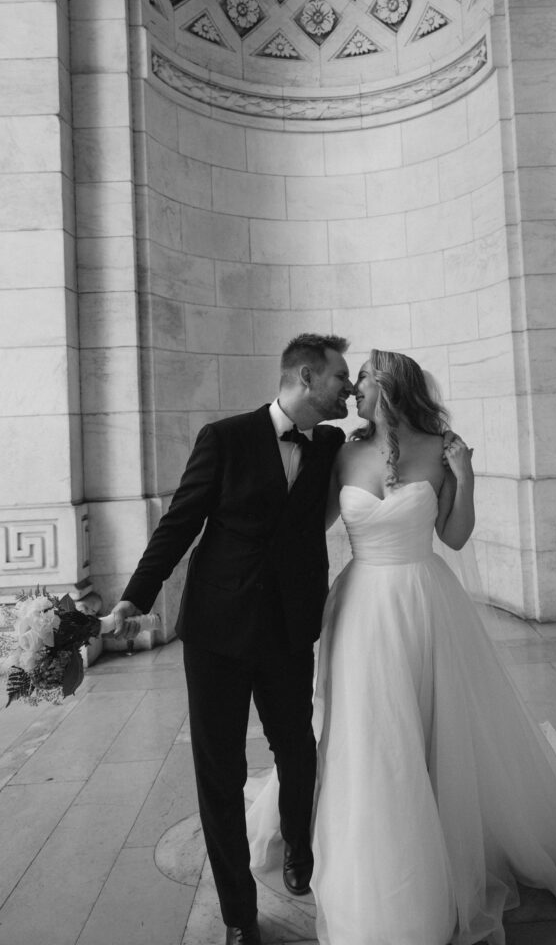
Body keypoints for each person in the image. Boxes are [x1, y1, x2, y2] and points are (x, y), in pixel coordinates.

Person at [309, 349, 556, 945]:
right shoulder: (342, 451)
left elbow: (454, 536)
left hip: (425, 600)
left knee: (433, 723)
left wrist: (467, 476)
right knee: (373, 730)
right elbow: (314, 524)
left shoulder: (444, 447)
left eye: (365, 380)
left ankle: (440, 833)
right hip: (360, 608)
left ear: (391, 387)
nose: (353, 389)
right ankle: (381, 851)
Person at [110, 333, 354, 945]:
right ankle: (239, 915)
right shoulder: (224, 438)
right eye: (339, 378)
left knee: (297, 748)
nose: (348, 389)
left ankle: (300, 848)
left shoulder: (329, 442)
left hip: (290, 629)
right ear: (304, 376)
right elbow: (180, 523)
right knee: (218, 772)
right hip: (218, 633)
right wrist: (134, 598)